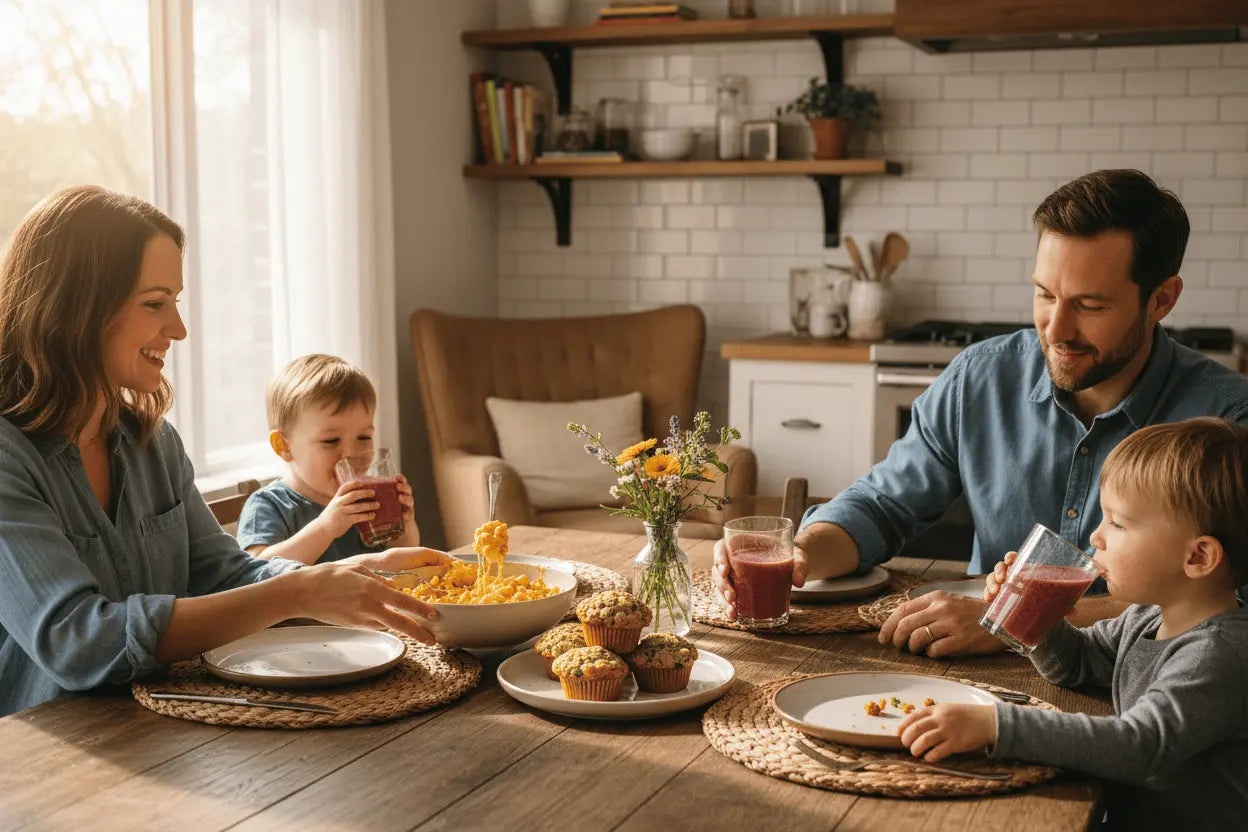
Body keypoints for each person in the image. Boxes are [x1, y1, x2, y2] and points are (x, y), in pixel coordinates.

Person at [714, 169, 1248, 657]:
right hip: (970, 670)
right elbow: (880, 507)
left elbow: (1234, 604)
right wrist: (800, 556)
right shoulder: (981, 377)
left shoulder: (1228, 418)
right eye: (1044, 295)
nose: (1056, 330)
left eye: (1089, 306)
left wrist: (1010, 620)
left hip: (1153, 685)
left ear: (1162, 300)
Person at [0, 186, 447, 717]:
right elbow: (76, 641)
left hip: (167, 720)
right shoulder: (11, 458)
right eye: (154, 303)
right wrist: (297, 594)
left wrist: (350, 577)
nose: (179, 329)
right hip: (44, 755)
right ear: (77, 309)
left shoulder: (154, 444)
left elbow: (226, 576)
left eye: (176, 302)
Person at [897, 418, 1248, 831]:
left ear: (1198, 558)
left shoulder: (1218, 654)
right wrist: (1035, 615)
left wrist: (996, 724)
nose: (1096, 537)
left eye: (1118, 523)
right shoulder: (1149, 616)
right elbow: (1077, 663)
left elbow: (1138, 745)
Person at [236, 354, 421, 565]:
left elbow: (405, 557)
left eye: (364, 437)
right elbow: (256, 571)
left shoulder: (366, 498)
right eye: (331, 440)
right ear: (284, 445)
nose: (350, 453)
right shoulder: (269, 505)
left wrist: (403, 524)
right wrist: (325, 528)